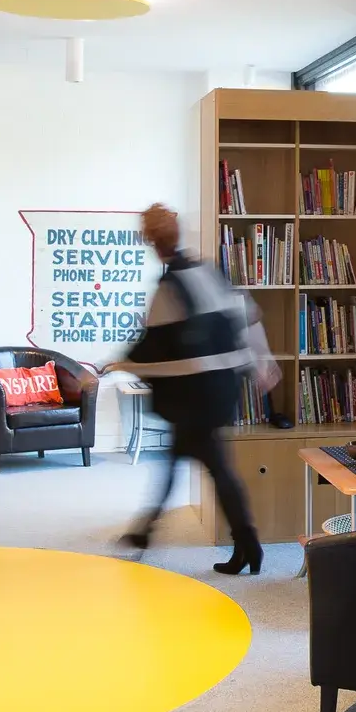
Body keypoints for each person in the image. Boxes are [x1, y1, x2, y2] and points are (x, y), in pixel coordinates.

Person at [112, 203, 278, 574]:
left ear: (153, 244)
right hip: (221, 388)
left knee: (215, 468)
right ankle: (145, 531)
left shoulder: (168, 288)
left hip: (195, 396)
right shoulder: (208, 271)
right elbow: (246, 316)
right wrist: (261, 363)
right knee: (182, 460)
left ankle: (248, 544)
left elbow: (147, 347)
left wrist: (118, 364)